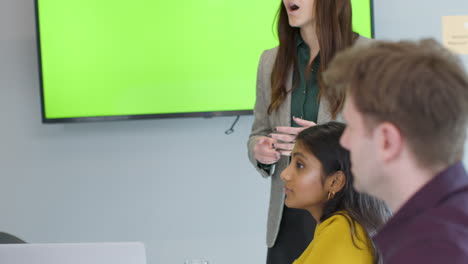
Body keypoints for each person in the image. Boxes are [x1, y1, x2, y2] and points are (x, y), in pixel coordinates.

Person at [322, 38, 468, 263]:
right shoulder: (452, 221)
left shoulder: (430, 250)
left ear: (387, 141)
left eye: (351, 127)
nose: (344, 141)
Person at [247, 0, 368, 262]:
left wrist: (324, 141)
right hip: (288, 216)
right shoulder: (271, 60)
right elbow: (259, 130)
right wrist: (260, 149)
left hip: (347, 216)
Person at [281, 122, 390, 263]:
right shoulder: (344, 226)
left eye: (300, 165)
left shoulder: (343, 232)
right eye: (291, 162)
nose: (284, 174)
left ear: (335, 182)